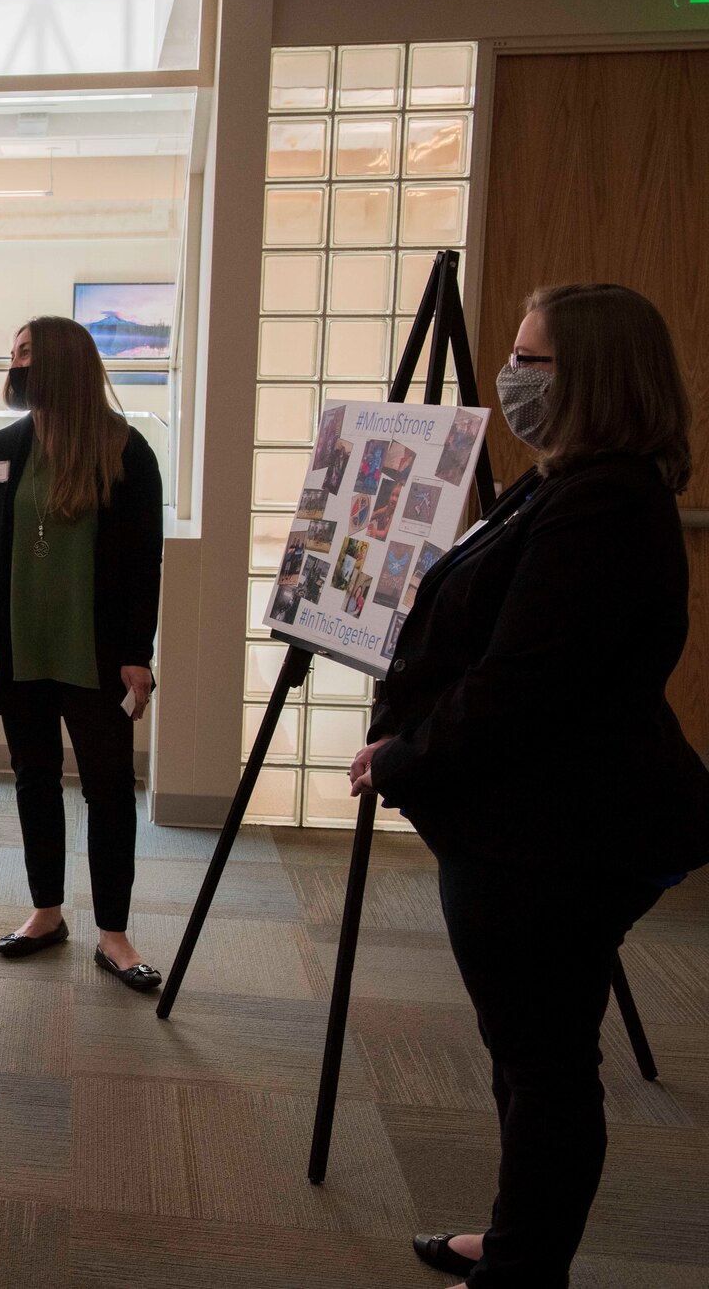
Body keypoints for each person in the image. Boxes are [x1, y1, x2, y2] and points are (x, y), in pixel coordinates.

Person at [352, 284, 708, 1289]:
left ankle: (519, 1270)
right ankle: (514, 1243)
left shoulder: (603, 504)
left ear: (593, 375)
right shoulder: (566, 480)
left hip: (553, 836)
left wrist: (399, 757)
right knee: (526, 1054)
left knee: (544, 1063)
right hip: (531, 822)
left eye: (531, 360)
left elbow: (519, 684)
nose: (508, 379)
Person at [0, 315, 166, 990]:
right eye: (11, 354)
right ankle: (46, 911)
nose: (15, 366)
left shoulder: (127, 452)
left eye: (27, 354)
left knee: (108, 790)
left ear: (66, 363)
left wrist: (137, 650)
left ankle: (114, 933)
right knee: (33, 778)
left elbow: (142, 562)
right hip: (20, 651)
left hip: (95, 655)